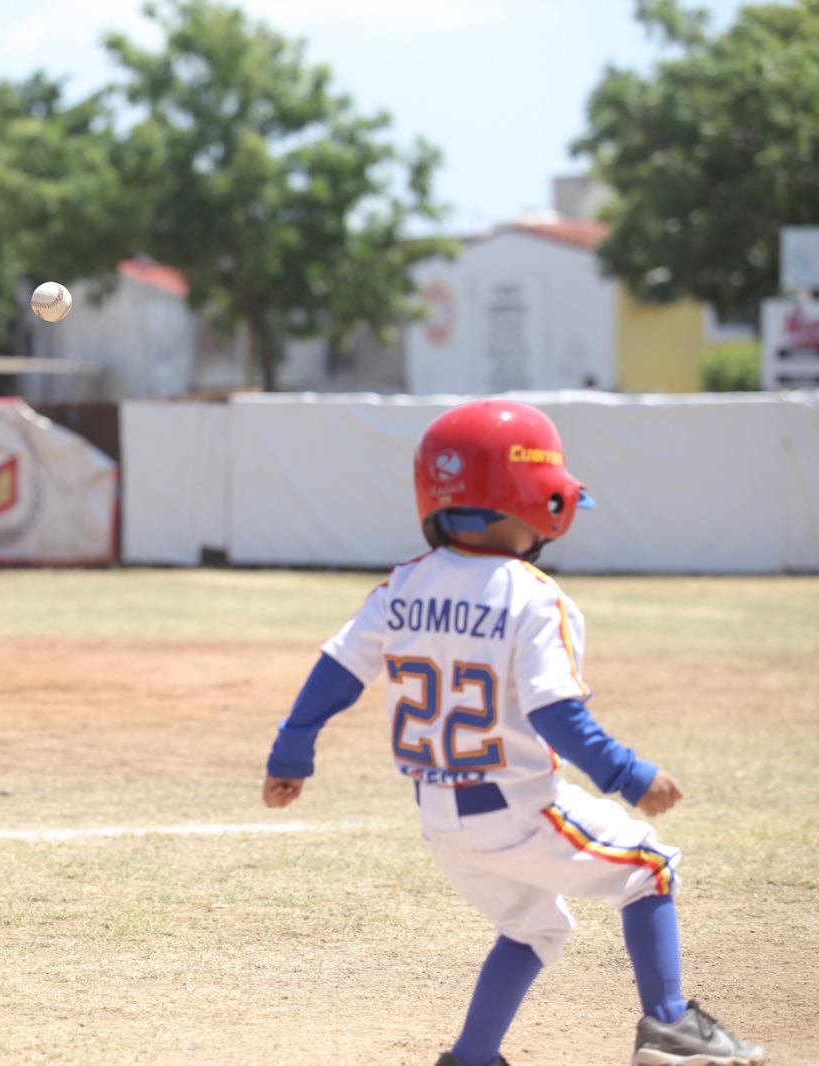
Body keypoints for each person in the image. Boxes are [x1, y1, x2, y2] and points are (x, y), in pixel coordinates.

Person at [261, 400, 765, 1066]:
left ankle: (472, 1058)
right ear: (530, 493)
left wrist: (290, 752)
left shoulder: (403, 585)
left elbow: (336, 674)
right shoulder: (532, 595)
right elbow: (557, 714)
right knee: (651, 867)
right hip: (517, 810)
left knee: (534, 927)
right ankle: (671, 1026)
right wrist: (629, 775)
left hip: (441, 820)